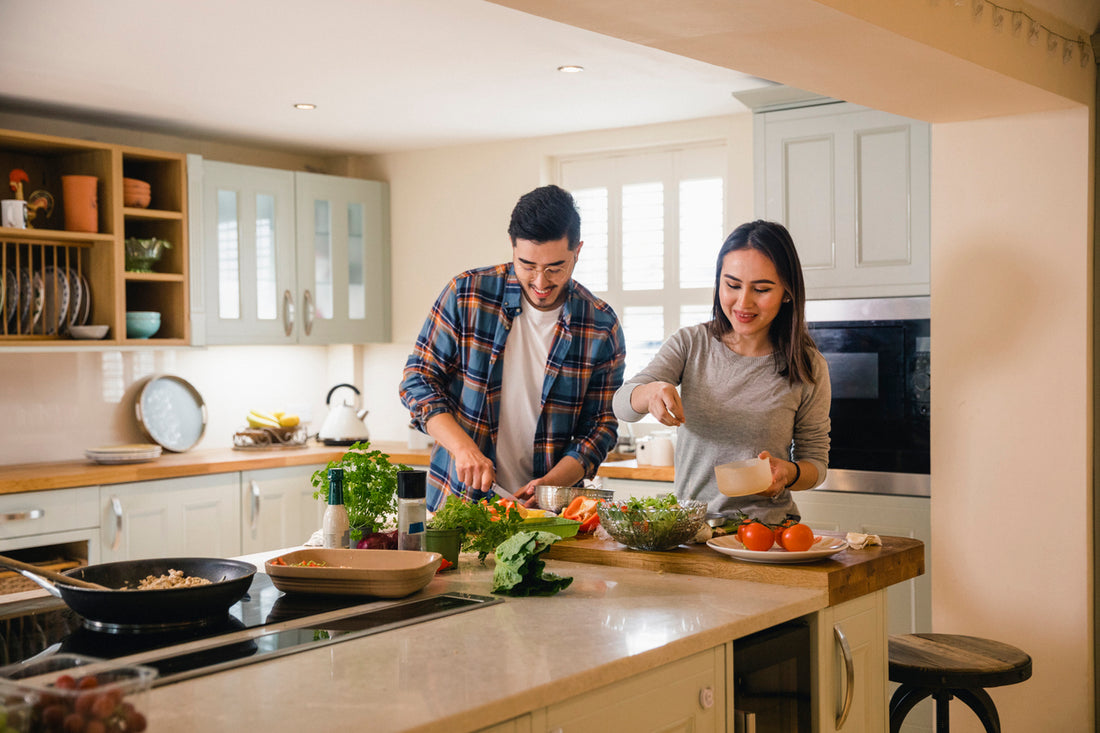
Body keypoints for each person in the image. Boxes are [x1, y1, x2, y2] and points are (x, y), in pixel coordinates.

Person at [400, 185, 626, 511]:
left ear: (577, 251)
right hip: (458, 504)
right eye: (527, 265)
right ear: (512, 246)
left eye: (555, 268)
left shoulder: (600, 325)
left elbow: (601, 427)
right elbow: (418, 380)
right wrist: (463, 449)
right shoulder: (467, 295)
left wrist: (552, 484)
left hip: (548, 515)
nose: (540, 282)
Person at [612, 220, 830, 524]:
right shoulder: (691, 344)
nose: (743, 302)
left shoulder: (808, 366)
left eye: (762, 289)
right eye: (732, 285)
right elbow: (622, 403)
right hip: (691, 530)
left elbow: (816, 463)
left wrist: (789, 473)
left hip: (767, 534)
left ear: (787, 292)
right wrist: (649, 393)